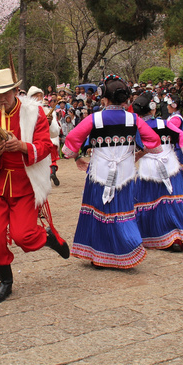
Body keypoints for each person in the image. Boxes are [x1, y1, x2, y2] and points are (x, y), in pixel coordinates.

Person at [0, 68, 70, 303]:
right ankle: (5, 282)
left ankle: (48, 237)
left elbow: (47, 146)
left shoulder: (34, 112)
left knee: (23, 236)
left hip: (24, 183)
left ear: (15, 91)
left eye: (4, 93)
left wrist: (22, 147)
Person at [62, 75, 161, 269]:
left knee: (98, 210)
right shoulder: (133, 119)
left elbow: (72, 140)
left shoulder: (95, 119)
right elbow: (155, 143)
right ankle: (126, 248)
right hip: (124, 173)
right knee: (122, 210)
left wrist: (75, 156)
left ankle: (98, 254)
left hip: (98, 171)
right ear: (125, 100)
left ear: (104, 99)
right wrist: (138, 154)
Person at [132, 93, 183, 252]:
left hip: (148, 168)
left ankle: (155, 236)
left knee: (150, 201)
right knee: (174, 200)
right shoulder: (164, 123)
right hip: (170, 164)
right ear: (152, 109)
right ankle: (178, 235)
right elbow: (181, 136)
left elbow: (133, 149)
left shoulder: (136, 127)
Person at [28, 86, 61, 186]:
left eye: (40, 96)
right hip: (29, 149)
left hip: (43, 148)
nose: (38, 99)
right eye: (35, 96)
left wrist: (49, 124)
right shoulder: (24, 113)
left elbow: (55, 132)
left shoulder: (48, 112)